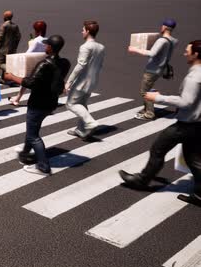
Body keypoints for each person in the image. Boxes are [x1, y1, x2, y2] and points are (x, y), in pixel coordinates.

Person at [120, 40, 201, 207]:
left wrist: (158, 98)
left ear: (196, 54)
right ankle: (200, 194)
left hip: (186, 124)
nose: (185, 53)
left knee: (158, 147)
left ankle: (142, 180)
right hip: (197, 124)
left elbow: (186, 102)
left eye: (188, 51)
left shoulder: (195, 77)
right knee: (193, 159)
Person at [3, 35, 71, 175]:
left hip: (38, 103)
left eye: (47, 45)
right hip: (51, 102)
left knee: (33, 135)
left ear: (50, 48)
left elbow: (30, 83)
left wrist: (11, 77)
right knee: (33, 128)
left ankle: (43, 166)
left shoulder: (44, 64)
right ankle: (25, 154)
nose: (45, 47)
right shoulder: (65, 63)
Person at [128, 18, 179, 121]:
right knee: (148, 88)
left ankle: (149, 113)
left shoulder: (161, 40)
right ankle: (146, 108)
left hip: (152, 69)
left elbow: (152, 53)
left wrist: (135, 49)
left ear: (164, 27)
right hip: (161, 68)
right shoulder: (173, 41)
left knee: (145, 91)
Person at [65, 20, 105, 139]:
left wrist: (69, 81)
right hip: (93, 80)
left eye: (83, 30)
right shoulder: (101, 47)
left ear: (88, 31)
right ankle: (81, 129)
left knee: (71, 104)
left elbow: (80, 65)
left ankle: (90, 123)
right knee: (82, 103)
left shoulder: (85, 47)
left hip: (82, 81)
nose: (81, 32)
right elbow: (100, 65)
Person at [9, 20, 48, 105]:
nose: (34, 32)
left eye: (35, 30)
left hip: (33, 63)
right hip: (44, 63)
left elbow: (28, 53)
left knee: (26, 81)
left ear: (38, 31)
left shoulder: (36, 41)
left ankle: (17, 99)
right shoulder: (47, 40)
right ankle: (17, 99)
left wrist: (30, 44)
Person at [0, 10, 21, 80]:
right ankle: (4, 78)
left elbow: (0, 37)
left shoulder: (4, 25)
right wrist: (15, 46)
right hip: (12, 49)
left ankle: (9, 71)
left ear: (5, 17)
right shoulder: (15, 26)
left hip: (3, 49)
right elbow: (18, 36)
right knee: (7, 62)